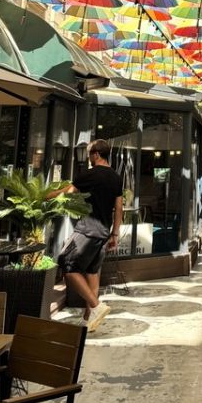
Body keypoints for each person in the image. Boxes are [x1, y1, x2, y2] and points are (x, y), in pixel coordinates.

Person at [58, 140, 123, 332]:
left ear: (95, 154)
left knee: (66, 262)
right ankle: (89, 319)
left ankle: (96, 306)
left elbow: (68, 193)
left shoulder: (89, 174)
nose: (88, 158)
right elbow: (119, 208)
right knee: (92, 272)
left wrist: (48, 196)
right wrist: (114, 234)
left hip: (88, 228)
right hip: (104, 231)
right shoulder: (116, 177)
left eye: (89, 154)